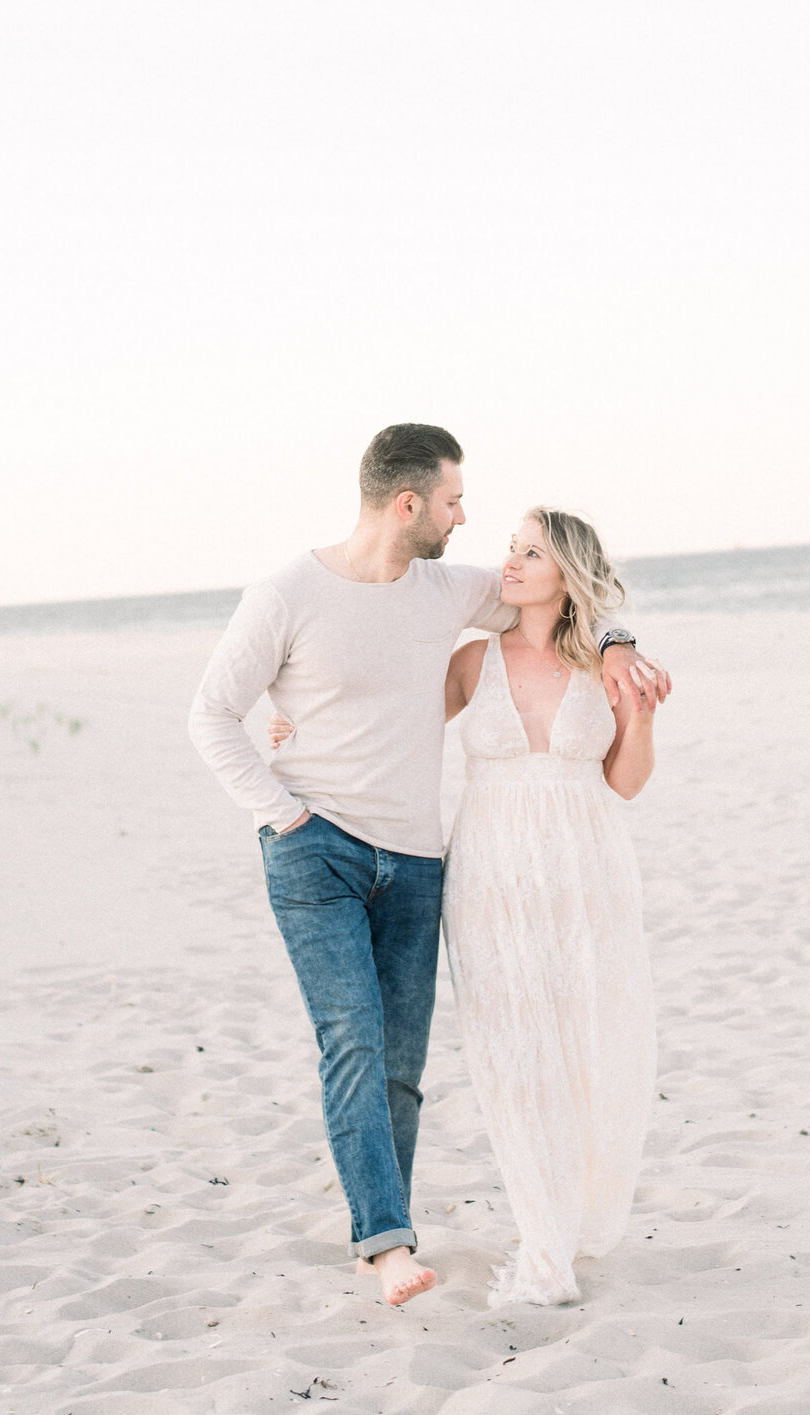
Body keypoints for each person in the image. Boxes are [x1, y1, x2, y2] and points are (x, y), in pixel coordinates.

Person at [187, 424, 667, 1308]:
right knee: (355, 1042)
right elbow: (218, 714)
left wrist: (621, 642)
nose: (468, 521)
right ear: (410, 503)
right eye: (453, 501)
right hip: (318, 846)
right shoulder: (287, 593)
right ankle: (384, 1244)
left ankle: (396, 1221)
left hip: (418, 859)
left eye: (477, 514)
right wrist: (284, 805)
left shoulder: (448, 590)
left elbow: (573, 589)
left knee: (402, 1062)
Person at [441, 508, 657, 1306]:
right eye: (510, 548)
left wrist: (638, 716)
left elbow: (626, 781)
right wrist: (302, 723)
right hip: (491, 874)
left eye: (531, 552)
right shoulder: (473, 660)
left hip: (586, 870)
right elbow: (391, 730)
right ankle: (543, 1247)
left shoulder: (604, 666)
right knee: (513, 1049)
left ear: (566, 572)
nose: (511, 562)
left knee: (585, 1041)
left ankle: (570, 1220)